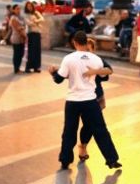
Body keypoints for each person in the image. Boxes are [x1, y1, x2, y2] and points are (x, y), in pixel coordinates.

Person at [49, 31, 121, 170]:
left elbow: (58, 79)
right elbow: (109, 70)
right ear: (86, 42)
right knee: (101, 130)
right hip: (90, 100)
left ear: (74, 42)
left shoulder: (68, 59)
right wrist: (94, 72)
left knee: (69, 131)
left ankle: (65, 160)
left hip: (73, 101)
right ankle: (112, 160)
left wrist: (53, 72)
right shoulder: (95, 59)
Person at [78, 38, 112, 160]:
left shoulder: (98, 61)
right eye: (84, 50)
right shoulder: (76, 61)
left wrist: (96, 71)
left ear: (93, 50)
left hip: (97, 98)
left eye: (89, 50)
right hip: (82, 98)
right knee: (88, 124)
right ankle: (83, 147)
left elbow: (109, 70)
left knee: (90, 124)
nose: (86, 52)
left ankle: (83, 146)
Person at [24, 1, 44, 73]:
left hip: (37, 33)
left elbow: (42, 19)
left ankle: (37, 67)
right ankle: (28, 67)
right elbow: (29, 23)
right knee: (31, 51)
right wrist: (36, 22)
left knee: (37, 51)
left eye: (30, 6)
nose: (29, 7)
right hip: (31, 33)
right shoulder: (26, 14)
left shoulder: (36, 12)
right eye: (28, 6)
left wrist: (35, 21)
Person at [8, 4, 27, 74]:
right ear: (13, 10)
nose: (18, 10)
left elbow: (24, 26)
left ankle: (18, 67)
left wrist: (23, 30)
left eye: (19, 9)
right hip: (16, 38)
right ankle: (16, 69)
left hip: (22, 38)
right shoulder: (13, 18)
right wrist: (24, 35)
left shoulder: (21, 17)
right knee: (17, 54)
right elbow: (18, 28)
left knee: (21, 54)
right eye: (17, 9)